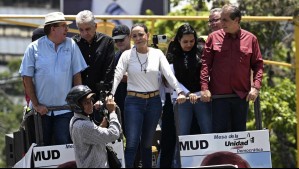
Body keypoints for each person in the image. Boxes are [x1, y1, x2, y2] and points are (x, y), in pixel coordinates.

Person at [111, 23, 186, 168]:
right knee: (132, 144)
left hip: (154, 102)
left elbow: (168, 74)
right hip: (133, 102)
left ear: (147, 35)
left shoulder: (157, 53)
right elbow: (117, 75)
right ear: (131, 38)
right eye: (134, 36)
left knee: (147, 144)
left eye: (141, 34)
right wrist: (111, 94)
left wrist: (179, 90)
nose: (138, 38)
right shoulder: (127, 55)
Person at [19, 12, 88, 146]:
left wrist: (77, 103)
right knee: (41, 148)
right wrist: (37, 105)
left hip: (66, 110)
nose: (67, 29)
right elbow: (26, 78)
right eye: (64, 26)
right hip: (40, 113)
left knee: (64, 145)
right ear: (53, 29)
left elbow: (77, 76)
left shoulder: (71, 45)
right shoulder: (33, 48)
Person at [200, 4, 264, 133]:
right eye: (221, 19)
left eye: (225, 20)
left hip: (241, 97)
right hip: (218, 97)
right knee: (219, 135)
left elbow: (258, 65)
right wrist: (204, 88)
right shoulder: (213, 38)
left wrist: (256, 87)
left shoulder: (251, 39)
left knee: (239, 135)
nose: (221, 23)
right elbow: (205, 64)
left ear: (236, 20)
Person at [171, 23, 212, 136]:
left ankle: (212, 154)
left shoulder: (201, 50)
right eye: (185, 42)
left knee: (207, 130)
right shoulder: (173, 52)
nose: (189, 44)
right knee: (182, 134)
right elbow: (170, 76)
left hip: (201, 96)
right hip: (182, 97)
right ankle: (180, 155)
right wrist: (186, 93)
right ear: (179, 40)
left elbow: (207, 71)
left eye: (192, 41)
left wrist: (203, 91)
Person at [66, 85, 121, 168]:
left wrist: (101, 125)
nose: (91, 104)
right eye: (86, 103)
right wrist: (112, 112)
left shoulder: (75, 120)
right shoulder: (83, 125)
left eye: (91, 100)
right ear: (77, 106)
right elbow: (114, 134)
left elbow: (91, 137)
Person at [73, 10, 115, 101]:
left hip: (100, 93)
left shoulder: (107, 41)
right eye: (81, 30)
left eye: (87, 29)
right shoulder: (73, 43)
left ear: (95, 26)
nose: (84, 33)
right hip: (80, 95)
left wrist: (104, 95)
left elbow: (109, 69)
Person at [112, 24, 131, 136]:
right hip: (120, 102)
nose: (119, 42)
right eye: (116, 40)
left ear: (129, 37)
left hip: (136, 103)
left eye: (121, 39)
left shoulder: (138, 53)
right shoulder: (115, 56)